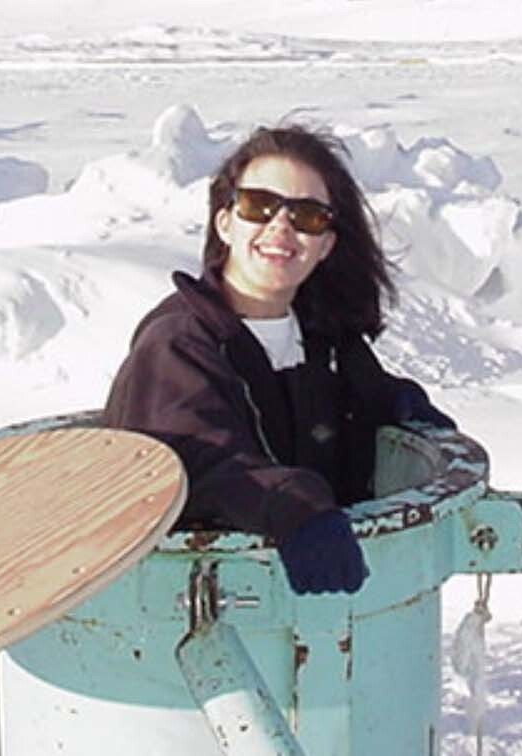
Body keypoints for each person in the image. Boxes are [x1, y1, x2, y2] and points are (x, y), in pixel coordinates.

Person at [103, 125, 454, 595]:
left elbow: (355, 398)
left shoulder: (323, 339)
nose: (281, 228)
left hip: (326, 609)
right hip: (209, 608)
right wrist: (294, 508)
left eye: (308, 215)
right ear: (225, 222)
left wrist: (399, 404)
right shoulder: (179, 345)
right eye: (258, 206)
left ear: (326, 243)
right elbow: (196, 459)